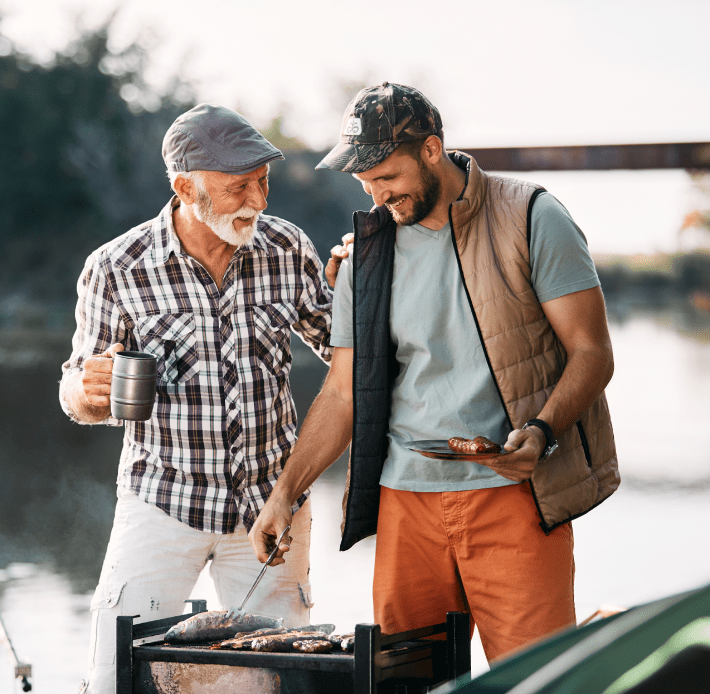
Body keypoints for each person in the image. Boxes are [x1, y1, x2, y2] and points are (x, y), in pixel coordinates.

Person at [249, 83, 620, 663]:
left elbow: (593, 353)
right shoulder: (363, 256)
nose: (376, 195)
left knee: (535, 678)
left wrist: (543, 432)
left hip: (514, 496)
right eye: (365, 183)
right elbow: (342, 392)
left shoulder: (532, 217)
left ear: (431, 151)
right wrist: (284, 495)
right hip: (404, 505)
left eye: (387, 178)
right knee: (405, 680)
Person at [59, 103, 335, 693]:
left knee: (285, 676)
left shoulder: (289, 249)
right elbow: (78, 389)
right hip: (161, 500)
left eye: (264, 181)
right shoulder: (115, 267)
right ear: (186, 187)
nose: (258, 200)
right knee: (113, 673)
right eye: (239, 186)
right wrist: (86, 390)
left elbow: (348, 358)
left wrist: (364, 288)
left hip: (273, 505)